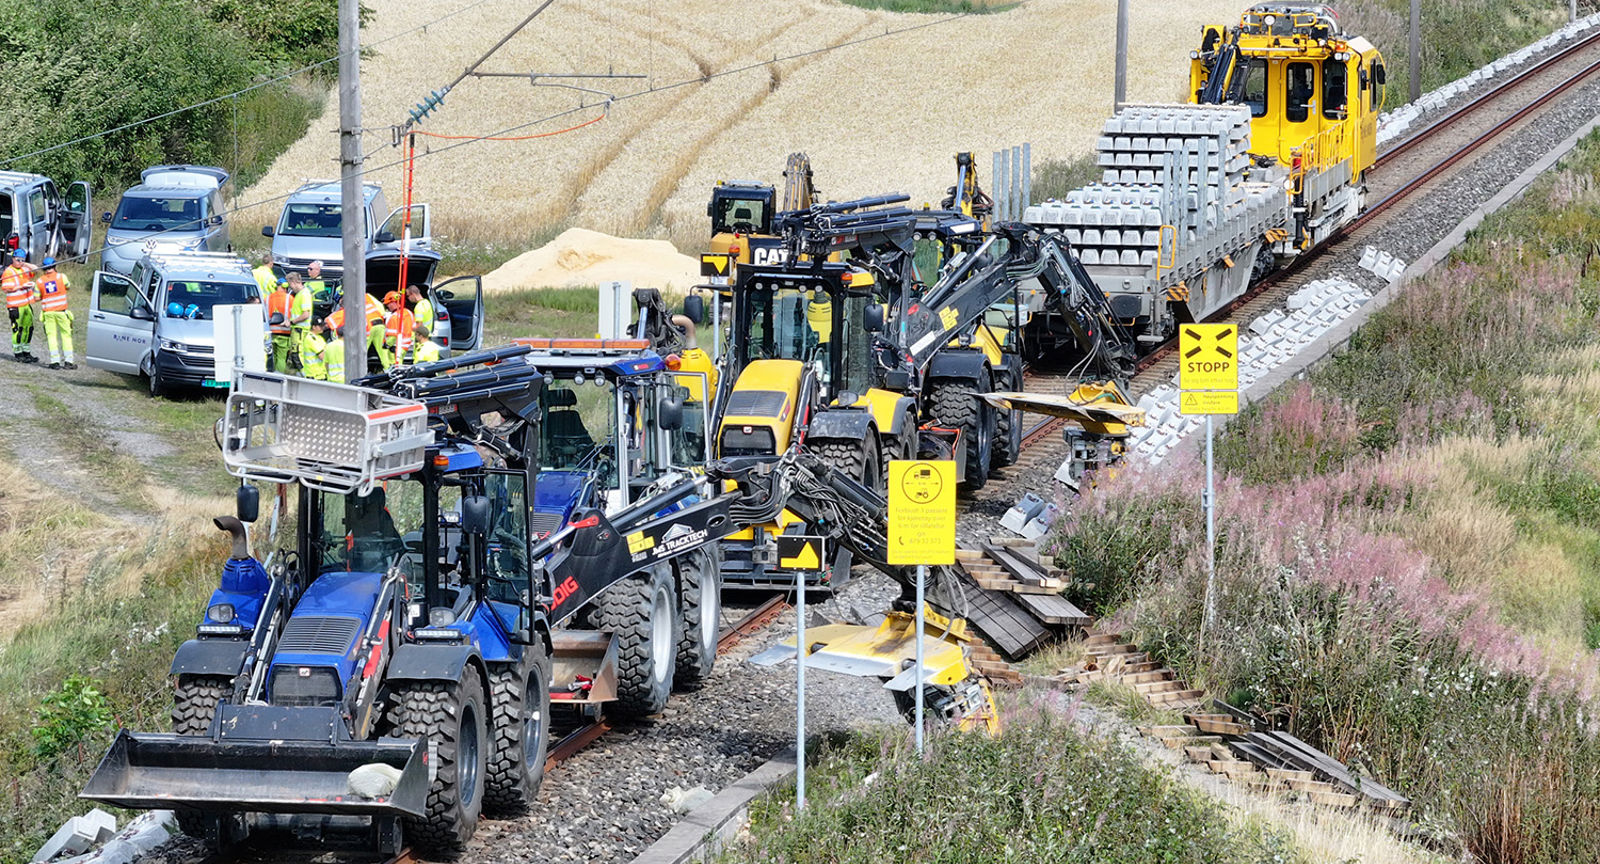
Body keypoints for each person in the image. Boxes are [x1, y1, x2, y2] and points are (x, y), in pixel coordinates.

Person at [35, 257, 74, 369]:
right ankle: (68, 362)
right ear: (55, 266)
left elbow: (36, 298)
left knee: (51, 337)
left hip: (48, 313)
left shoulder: (40, 281)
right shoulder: (61, 277)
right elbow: (68, 287)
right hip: (61, 312)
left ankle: (55, 362)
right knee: (66, 336)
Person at [2, 250, 38, 363]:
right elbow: (6, 288)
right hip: (15, 305)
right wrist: (22, 286)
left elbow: (36, 268)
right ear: (12, 259)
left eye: (22, 260)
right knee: (18, 329)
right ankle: (18, 353)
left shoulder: (24, 269)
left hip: (26, 304)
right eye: (18, 260)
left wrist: (25, 263)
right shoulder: (8, 272)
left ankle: (26, 352)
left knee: (29, 328)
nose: (20, 262)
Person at [287, 272, 314, 371]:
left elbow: (305, 314)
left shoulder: (304, 294)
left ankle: (304, 377)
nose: (290, 288)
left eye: (290, 285)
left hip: (300, 330)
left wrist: (292, 322)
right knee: (294, 356)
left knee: (297, 355)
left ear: (293, 282)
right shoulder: (300, 294)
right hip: (298, 330)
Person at [380, 290, 413, 369]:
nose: (387, 307)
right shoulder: (409, 313)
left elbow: (392, 337)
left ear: (393, 303)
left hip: (396, 347)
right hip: (408, 346)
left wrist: (386, 345)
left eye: (388, 304)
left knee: (394, 367)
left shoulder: (394, 317)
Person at [266, 278, 292, 372]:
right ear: (285, 286)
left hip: (270, 331)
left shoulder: (268, 298)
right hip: (284, 331)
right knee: (281, 358)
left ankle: (272, 375)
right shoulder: (290, 298)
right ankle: (280, 377)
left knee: (273, 356)